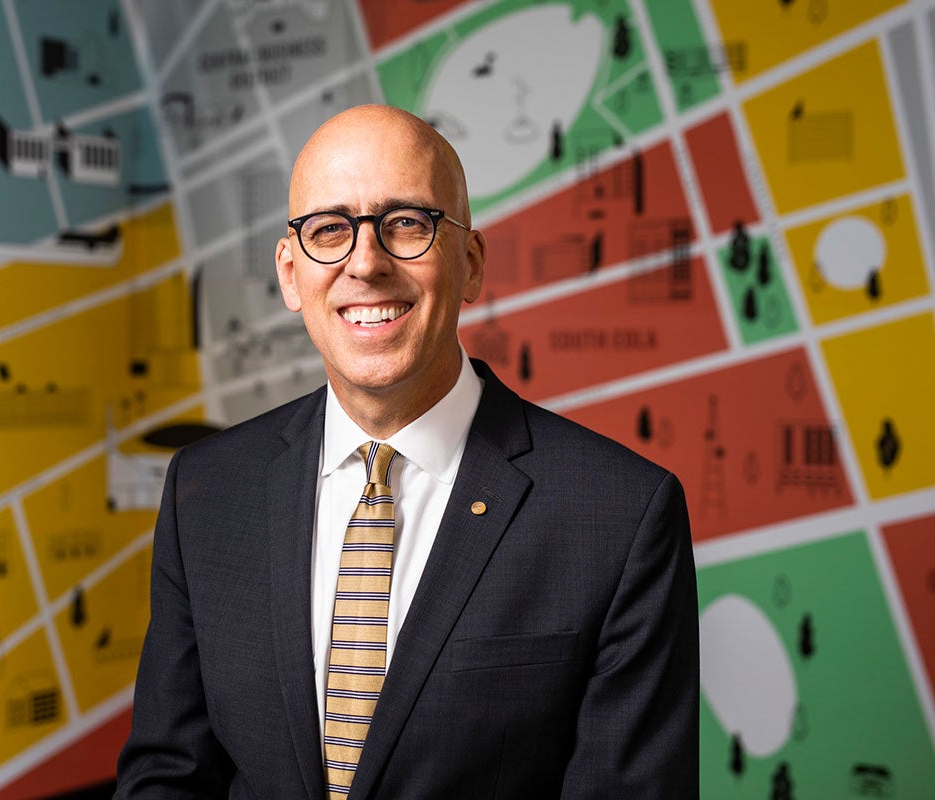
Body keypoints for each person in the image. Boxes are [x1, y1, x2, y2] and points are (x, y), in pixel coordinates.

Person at [113, 104, 698, 799]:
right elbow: (167, 778)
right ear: (291, 273)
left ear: (472, 263)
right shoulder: (206, 492)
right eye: (330, 229)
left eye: (407, 225)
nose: (366, 263)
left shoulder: (619, 516)